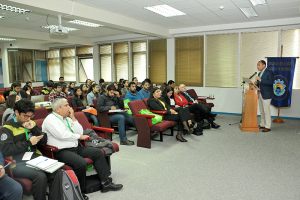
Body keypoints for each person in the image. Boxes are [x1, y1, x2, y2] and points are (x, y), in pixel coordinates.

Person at [42, 98, 123, 194]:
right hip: (61, 151)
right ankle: (80, 190)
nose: (69, 107)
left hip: (76, 147)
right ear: (58, 109)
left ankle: (106, 183)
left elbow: (79, 131)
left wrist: (73, 117)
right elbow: (62, 135)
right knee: (80, 163)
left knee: (97, 153)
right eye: (66, 105)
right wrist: (79, 136)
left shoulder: (66, 118)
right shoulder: (50, 119)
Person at [0, 99, 49, 200]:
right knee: (40, 176)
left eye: (30, 116)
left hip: (34, 157)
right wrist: (29, 142)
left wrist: (34, 128)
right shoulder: (7, 128)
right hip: (17, 163)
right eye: (25, 116)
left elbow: (44, 142)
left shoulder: (30, 123)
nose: (28, 119)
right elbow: (6, 150)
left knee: (56, 171)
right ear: (17, 112)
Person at [255, 60, 274, 132]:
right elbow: (260, 84)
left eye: (259, 65)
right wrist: (255, 84)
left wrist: (260, 79)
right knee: (262, 111)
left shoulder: (269, 72)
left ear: (264, 65)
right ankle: (262, 124)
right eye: (257, 65)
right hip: (260, 93)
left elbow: (271, 82)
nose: (257, 66)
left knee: (266, 111)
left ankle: (268, 126)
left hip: (267, 94)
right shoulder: (259, 73)